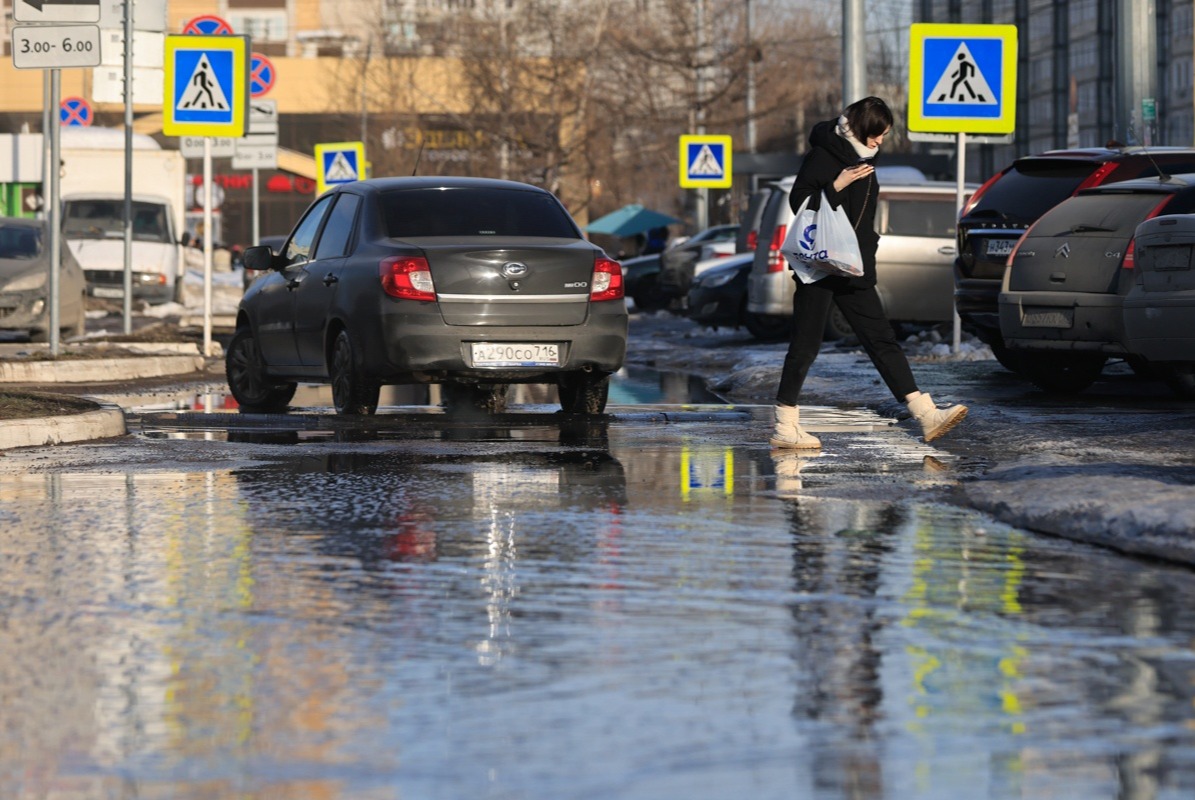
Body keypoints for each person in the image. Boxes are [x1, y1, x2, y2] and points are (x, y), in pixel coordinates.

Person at [770, 96, 968, 450]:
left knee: (881, 340)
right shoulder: (826, 154)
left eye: (884, 136)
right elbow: (799, 202)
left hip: (852, 268)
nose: (879, 142)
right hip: (819, 265)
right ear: (860, 127)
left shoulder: (863, 157)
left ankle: (926, 415)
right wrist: (837, 185)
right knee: (805, 344)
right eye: (876, 134)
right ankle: (786, 425)